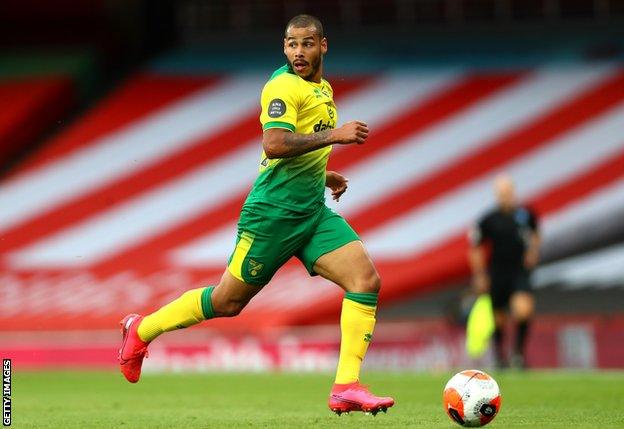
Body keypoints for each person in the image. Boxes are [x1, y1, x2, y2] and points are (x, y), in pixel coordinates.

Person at [118, 14, 394, 415]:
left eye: (307, 43)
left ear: (323, 46)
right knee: (228, 302)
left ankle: (346, 387)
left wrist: (323, 173)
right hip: (272, 216)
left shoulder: (323, 89)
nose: (298, 52)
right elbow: (275, 144)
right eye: (291, 44)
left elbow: (299, 146)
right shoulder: (281, 86)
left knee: (365, 279)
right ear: (284, 47)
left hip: (311, 213)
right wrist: (336, 135)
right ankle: (140, 330)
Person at [468, 174, 540, 369]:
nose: (505, 196)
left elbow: (535, 236)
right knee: (498, 317)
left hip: (519, 272)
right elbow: (475, 247)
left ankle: (518, 354)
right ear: (496, 195)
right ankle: (500, 357)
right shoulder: (488, 220)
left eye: (507, 192)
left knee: (523, 309)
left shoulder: (526, 215)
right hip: (497, 273)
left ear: (513, 192)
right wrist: (480, 274)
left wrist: (533, 252)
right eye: (501, 193)